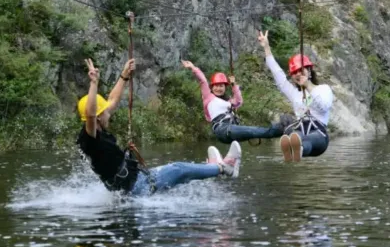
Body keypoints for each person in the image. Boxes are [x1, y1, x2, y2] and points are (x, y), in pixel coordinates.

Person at [76, 58, 242, 196]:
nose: (109, 113)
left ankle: (211, 168)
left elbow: (112, 100)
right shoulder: (89, 137)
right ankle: (224, 168)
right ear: (97, 118)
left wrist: (124, 76)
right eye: (104, 112)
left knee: (182, 175)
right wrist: (93, 84)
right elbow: (91, 114)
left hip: (134, 183)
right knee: (179, 169)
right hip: (136, 187)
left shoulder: (96, 128)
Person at [257, 30, 334, 162]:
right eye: (294, 73)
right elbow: (278, 74)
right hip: (300, 129)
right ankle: (294, 149)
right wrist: (266, 48)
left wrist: (308, 86)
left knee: (306, 139)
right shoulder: (294, 93)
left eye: (300, 70)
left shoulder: (324, 89)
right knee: (296, 135)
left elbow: (324, 107)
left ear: (309, 71)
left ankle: (300, 148)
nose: (298, 74)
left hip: (319, 135)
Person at [181, 60, 283, 144]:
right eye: (216, 86)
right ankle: (277, 131)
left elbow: (239, 102)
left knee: (253, 131)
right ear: (211, 87)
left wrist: (234, 85)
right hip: (222, 129)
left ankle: (283, 131)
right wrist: (193, 67)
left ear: (225, 87)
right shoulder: (208, 97)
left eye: (221, 86)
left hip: (231, 129)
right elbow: (203, 81)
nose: (218, 88)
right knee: (252, 130)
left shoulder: (229, 102)